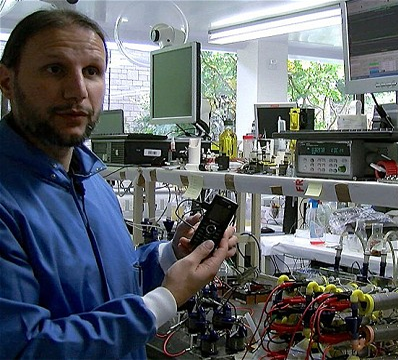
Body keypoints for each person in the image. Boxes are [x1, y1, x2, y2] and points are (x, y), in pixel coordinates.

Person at [0, 8, 237, 359]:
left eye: (92, 72)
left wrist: (171, 256)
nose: (77, 90)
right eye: (55, 69)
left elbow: (115, 283)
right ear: (7, 81)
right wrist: (165, 300)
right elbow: (24, 347)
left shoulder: (92, 182)